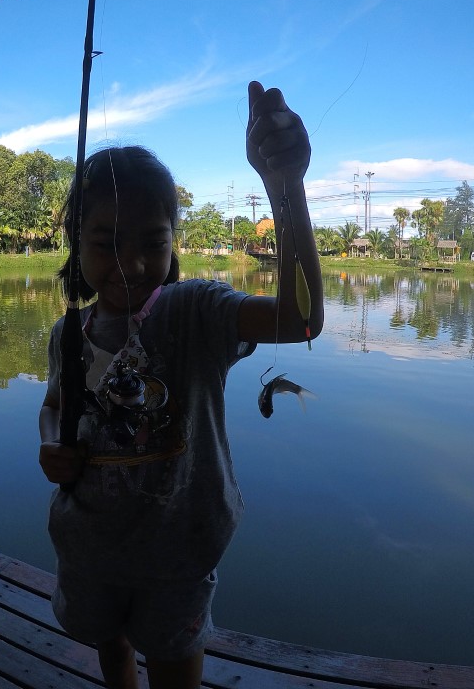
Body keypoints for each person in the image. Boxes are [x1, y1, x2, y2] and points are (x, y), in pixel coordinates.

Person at [38, 81, 324, 689]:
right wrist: (50, 446)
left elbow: (299, 318)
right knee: (110, 651)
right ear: (76, 241)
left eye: (151, 243)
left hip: (180, 554)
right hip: (87, 547)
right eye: (105, 242)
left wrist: (286, 189)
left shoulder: (196, 312)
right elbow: (55, 404)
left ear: (173, 244)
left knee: (174, 668)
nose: (130, 264)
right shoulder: (67, 334)